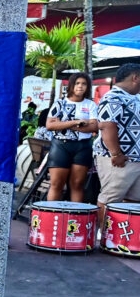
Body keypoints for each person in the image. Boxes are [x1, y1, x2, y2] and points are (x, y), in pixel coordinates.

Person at [95, 63, 140, 228]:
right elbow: (107, 125)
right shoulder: (113, 97)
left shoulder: (134, 97)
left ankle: (125, 236)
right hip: (118, 159)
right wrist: (116, 153)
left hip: (134, 159)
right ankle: (104, 235)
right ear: (135, 78)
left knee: (133, 199)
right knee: (111, 198)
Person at [45, 73, 98, 202]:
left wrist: (62, 124)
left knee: (77, 184)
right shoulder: (60, 103)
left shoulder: (90, 105)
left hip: (83, 146)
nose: (80, 86)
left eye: (84, 84)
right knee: (57, 184)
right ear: (71, 85)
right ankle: (51, 218)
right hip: (61, 146)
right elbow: (50, 126)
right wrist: (76, 122)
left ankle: (75, 218)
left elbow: (94, 127)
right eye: (77, 83)